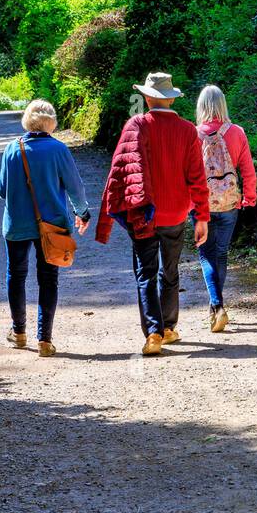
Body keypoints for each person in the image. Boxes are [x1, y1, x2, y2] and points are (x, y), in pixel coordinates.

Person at [96, 72, 210, 357]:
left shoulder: (137, 125)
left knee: (146, 273)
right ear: (171, 98)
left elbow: (120, 171)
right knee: (170, 270)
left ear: (148, 97)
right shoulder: (187, 130)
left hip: (144, 213)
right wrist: (202, 216)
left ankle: (153, 334)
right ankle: (169, 327)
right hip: (175, 213)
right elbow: (197, 177)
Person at [0, 100, 91, 357]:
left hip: (16, 224)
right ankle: (44, 340)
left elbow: (1, 190)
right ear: (51, 122)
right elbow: (75, 186)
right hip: (53, 225)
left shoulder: (11, 149)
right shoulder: (58, 149)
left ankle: (19, 333)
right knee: (48, 279)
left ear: (27, 121)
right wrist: (82, 212)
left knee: (16, 275)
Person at [195, 85, 257, 333]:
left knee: (206, 255)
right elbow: (248, 169)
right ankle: (216, 305)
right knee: (220, 254)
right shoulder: (237, 133)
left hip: (202, 205)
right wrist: (249, 197)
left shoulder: (194, 134)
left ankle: (217, 306)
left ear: (201, 106)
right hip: (230, 202)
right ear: (223, 105)